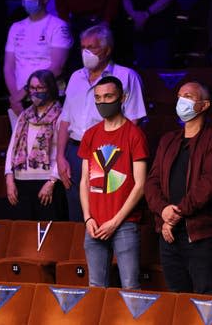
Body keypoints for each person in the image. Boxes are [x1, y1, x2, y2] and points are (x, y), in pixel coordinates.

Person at [144, 82, 212, 294]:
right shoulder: (168, 140)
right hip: (168, 234)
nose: (181, 100)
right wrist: (164, 211)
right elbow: (152, 181)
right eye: (179, 95)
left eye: (188, 96)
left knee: (204, 298)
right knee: (176, 300)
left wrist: (176, 214)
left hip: (199, 234)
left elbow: (210, 184)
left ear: (204, 105)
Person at [57, 25, 146, 222]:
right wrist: (60, 157)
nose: (86, 52)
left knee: (105, 208)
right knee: (77, 209)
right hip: (75, 150)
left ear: (107, 49)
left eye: (92, 47)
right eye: (82, 47)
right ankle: (80, 252)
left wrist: (117, 158)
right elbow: (65, 120)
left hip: (107, 153)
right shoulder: (75, 77)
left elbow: (134, 120)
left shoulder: (126, 76)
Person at [78, 76, 149, 289]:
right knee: (96, 287)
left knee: (130, 287)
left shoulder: (134, 135)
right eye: (98, 98)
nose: (103, 102)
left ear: (122, 97)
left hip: (125, 224)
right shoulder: (90, 135)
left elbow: (140, 185)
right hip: (94, 225)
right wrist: (87, 218)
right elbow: (84, 181)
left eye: (108, 96)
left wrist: (115, 222)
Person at [3, 70, 67, 221]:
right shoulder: (24, 116)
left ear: (50, 88)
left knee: (48, 232)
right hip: (21, 183)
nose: (35, 92)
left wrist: (52, 181)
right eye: (32, 88)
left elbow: (63, 152)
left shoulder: (61, 116)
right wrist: (9, 179)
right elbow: (12, 148)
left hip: (48, 183)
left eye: (40, 88)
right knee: (25, 234)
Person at [4, 0, 73, 115]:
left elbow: (56, 68)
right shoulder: (16, 27)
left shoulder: (58, 26)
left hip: (48, 97)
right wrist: (16, 98)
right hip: (19, 101)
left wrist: (24, 92)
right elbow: (8, 67)